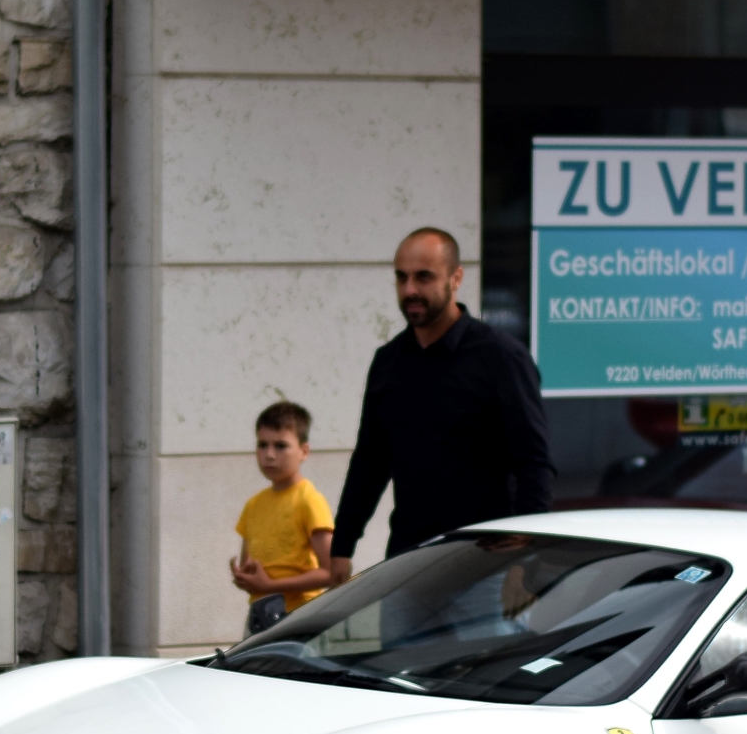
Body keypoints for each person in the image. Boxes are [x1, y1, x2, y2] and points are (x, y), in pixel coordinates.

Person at [329, 228, 554, 585]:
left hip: (486, 567)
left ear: (456, 278)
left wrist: (526, 559)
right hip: (408, 563)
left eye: (424, 277)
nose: (410, 290)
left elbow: (534, 462)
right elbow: (370, 462)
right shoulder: (388, 362)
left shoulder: (501, 357)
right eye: (401, 278)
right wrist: (342, 546)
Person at [229, 401, 336, 636]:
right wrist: (244, 577)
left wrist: (270, 586)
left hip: (298, 617)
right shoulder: (254, 505)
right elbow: (253, 567)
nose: (269, 455)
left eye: (280, 446)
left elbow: (332, 572)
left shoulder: (309, 500)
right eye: (262, 445)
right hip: (259, 616)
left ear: (304, 452)